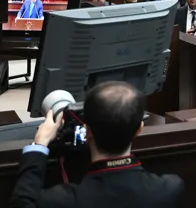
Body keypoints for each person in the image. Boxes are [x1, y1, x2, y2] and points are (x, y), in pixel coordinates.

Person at [9, 82, 183, 208]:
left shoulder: (61, 201)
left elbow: (22, 203)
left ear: (87, 130)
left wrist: (39, 145)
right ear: (139, 129)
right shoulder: (170, 189)